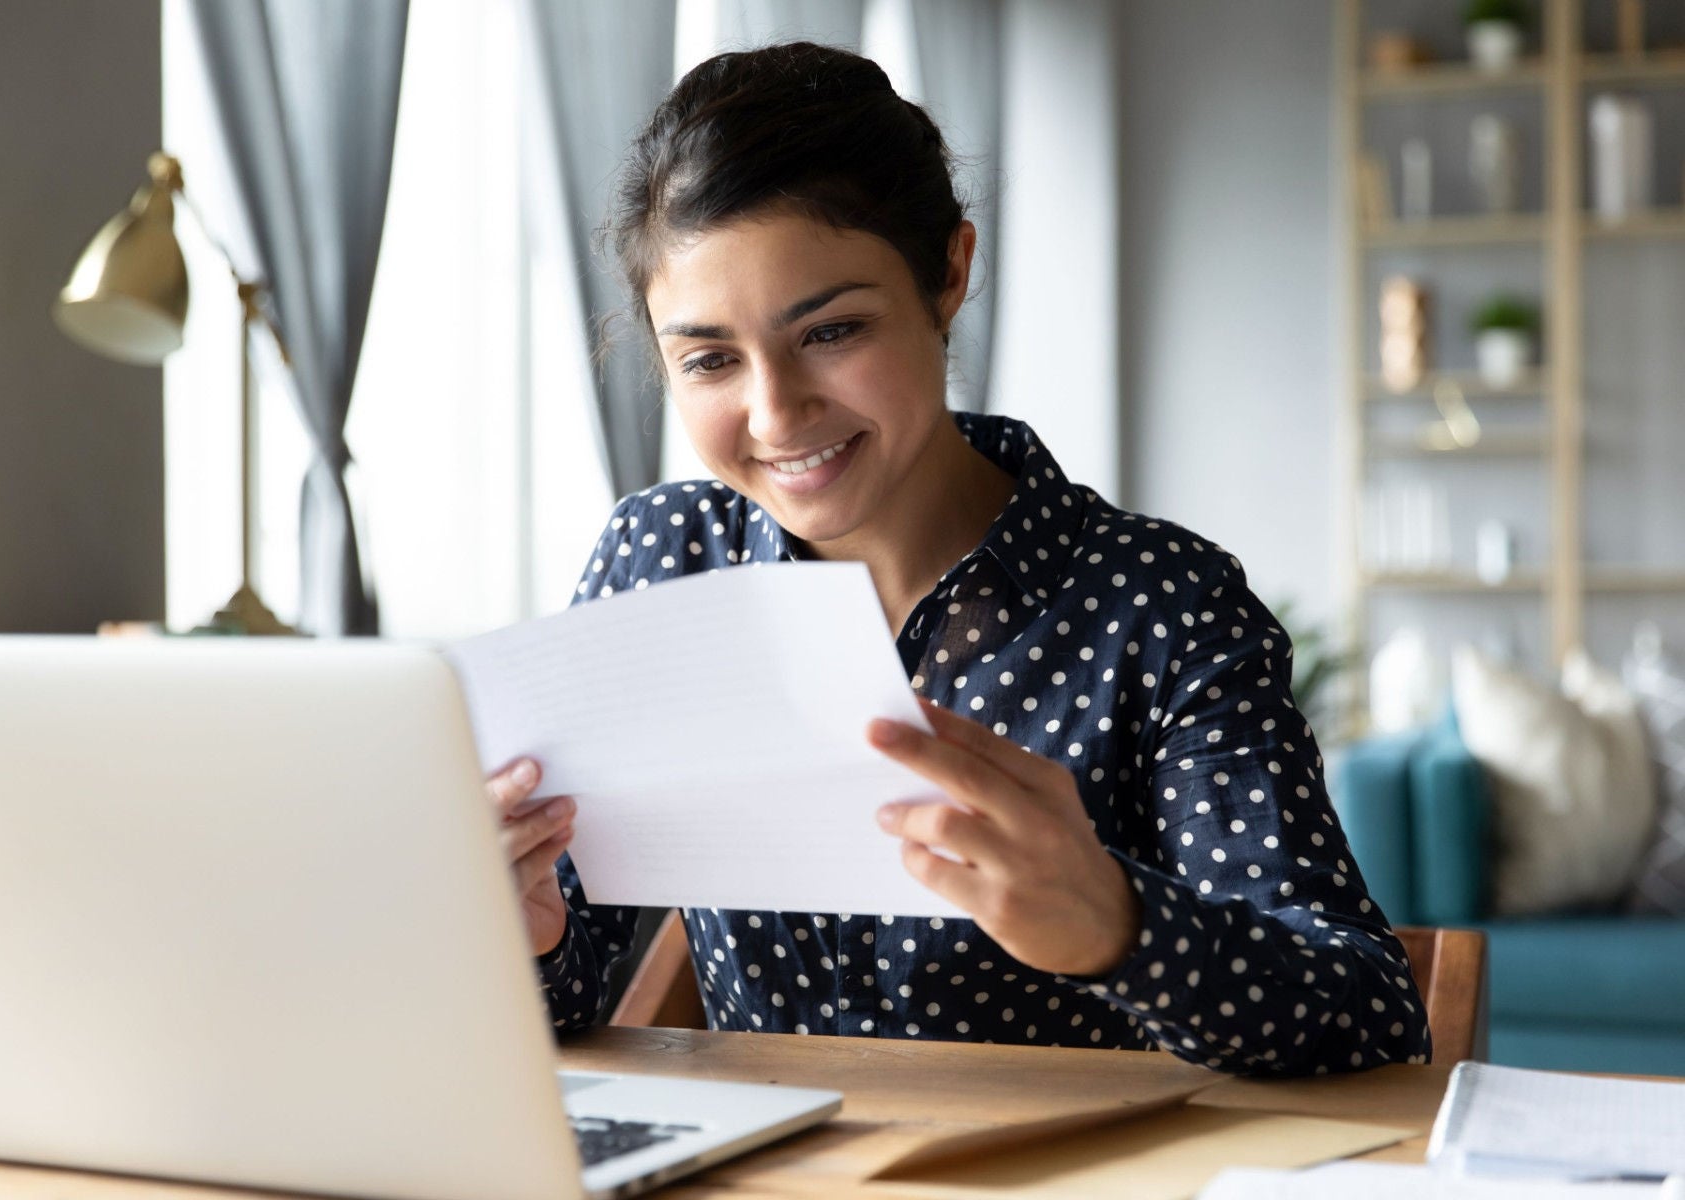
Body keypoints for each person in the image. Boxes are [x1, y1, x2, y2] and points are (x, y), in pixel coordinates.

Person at [490, 41, 1431, 1076]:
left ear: (949, 273)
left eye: (832, 329)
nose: (775, 412)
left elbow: (1370, 1014)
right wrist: (517, 930)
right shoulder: (660, 562)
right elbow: (572, 989)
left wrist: (1124, 928)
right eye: (710, 359)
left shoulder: (1164, 607)